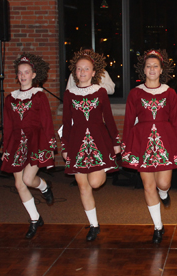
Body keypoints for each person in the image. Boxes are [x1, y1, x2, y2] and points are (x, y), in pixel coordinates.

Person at [121, 49, 177, 243]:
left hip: (166, 143)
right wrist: (126, 146)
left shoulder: (170, 93)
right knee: (148, 186)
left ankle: (164, 193)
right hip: (142, 143)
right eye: (148, 66)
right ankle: (158, 227)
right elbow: (128, 121)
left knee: (163, 183)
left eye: (155, 66)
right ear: (144, 70)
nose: (152, 69)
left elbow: (176, 123)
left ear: (161, 70)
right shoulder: (135, 93)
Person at [61, 49, 121, 241]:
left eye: (86, 69)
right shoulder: (69, 94)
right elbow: (66, 122)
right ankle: (94, 225)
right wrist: (64, 147)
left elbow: (109, 119)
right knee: (82, 186)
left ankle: (101, 170)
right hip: (76, 142)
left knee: (94, 183)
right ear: (75, 72)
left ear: (94, 72)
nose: (82, 72)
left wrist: (116, 141)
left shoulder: (101, 91)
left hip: (99, 140)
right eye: (79, 69)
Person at [1, 53, 56, 239]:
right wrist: (5, 150)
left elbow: (47, 121)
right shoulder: (10, 99)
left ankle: (44, 186)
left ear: (34, 74)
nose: (23, 76)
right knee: (18, 183)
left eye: (27, 72)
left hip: (35, 141)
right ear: (17, 75)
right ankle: (34, 218)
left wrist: (49, 146)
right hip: (16, 143)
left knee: (27, 180)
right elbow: (8, 126)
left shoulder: (39, 95)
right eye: (20, 73)